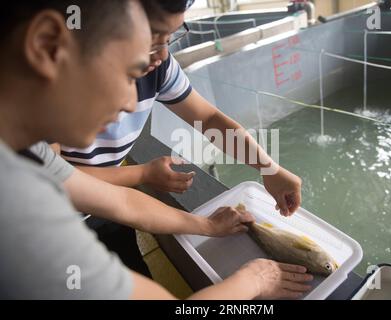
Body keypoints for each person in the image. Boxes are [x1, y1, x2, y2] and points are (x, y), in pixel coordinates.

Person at [0, 0, 312, 299]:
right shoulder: (20, 210)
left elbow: (123, 203)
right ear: (47, 45)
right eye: (128, 73)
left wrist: (208, 224)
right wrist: (253, 281)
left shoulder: (31, 155)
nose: (131, 103)